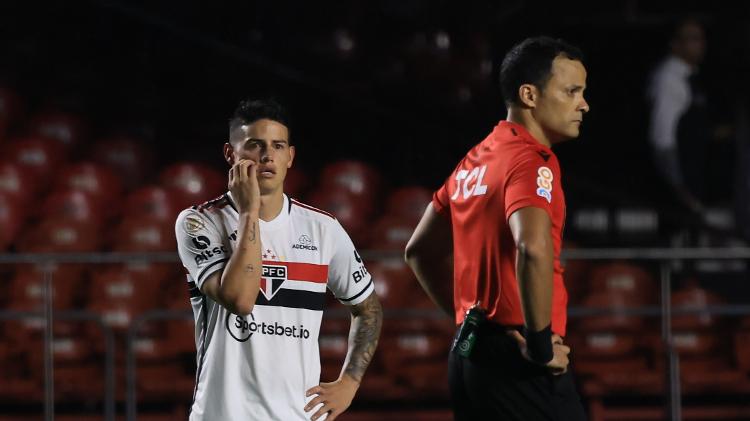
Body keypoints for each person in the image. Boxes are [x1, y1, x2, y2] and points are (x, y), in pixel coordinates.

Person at [404, 36, 589, 421]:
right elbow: (532, 248)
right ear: (529, 95)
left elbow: (418, 252)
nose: (583, 104)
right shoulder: (531, 161)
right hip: (520, 362)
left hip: (469, 355)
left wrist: (466, 324)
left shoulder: (474, 160)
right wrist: (539, 348)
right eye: (572, 91)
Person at [175, 98, 382, 421]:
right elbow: (240, 299)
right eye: (255, 145)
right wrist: (249, 211)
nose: (267, 156)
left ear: (290, 156)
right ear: (231, 154)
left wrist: (350, 382)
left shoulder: (323, 229)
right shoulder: (198, 222)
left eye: (278, 146)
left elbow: (368, 309)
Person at [646, 17, 710, 213]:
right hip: (677, 184)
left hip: (693, 175)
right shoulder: (669, 79)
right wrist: (679, 187)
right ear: (675, 43)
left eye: (700, 38)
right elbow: (662, 137)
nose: (699, 44)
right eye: (692, 38)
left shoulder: (691, 76)